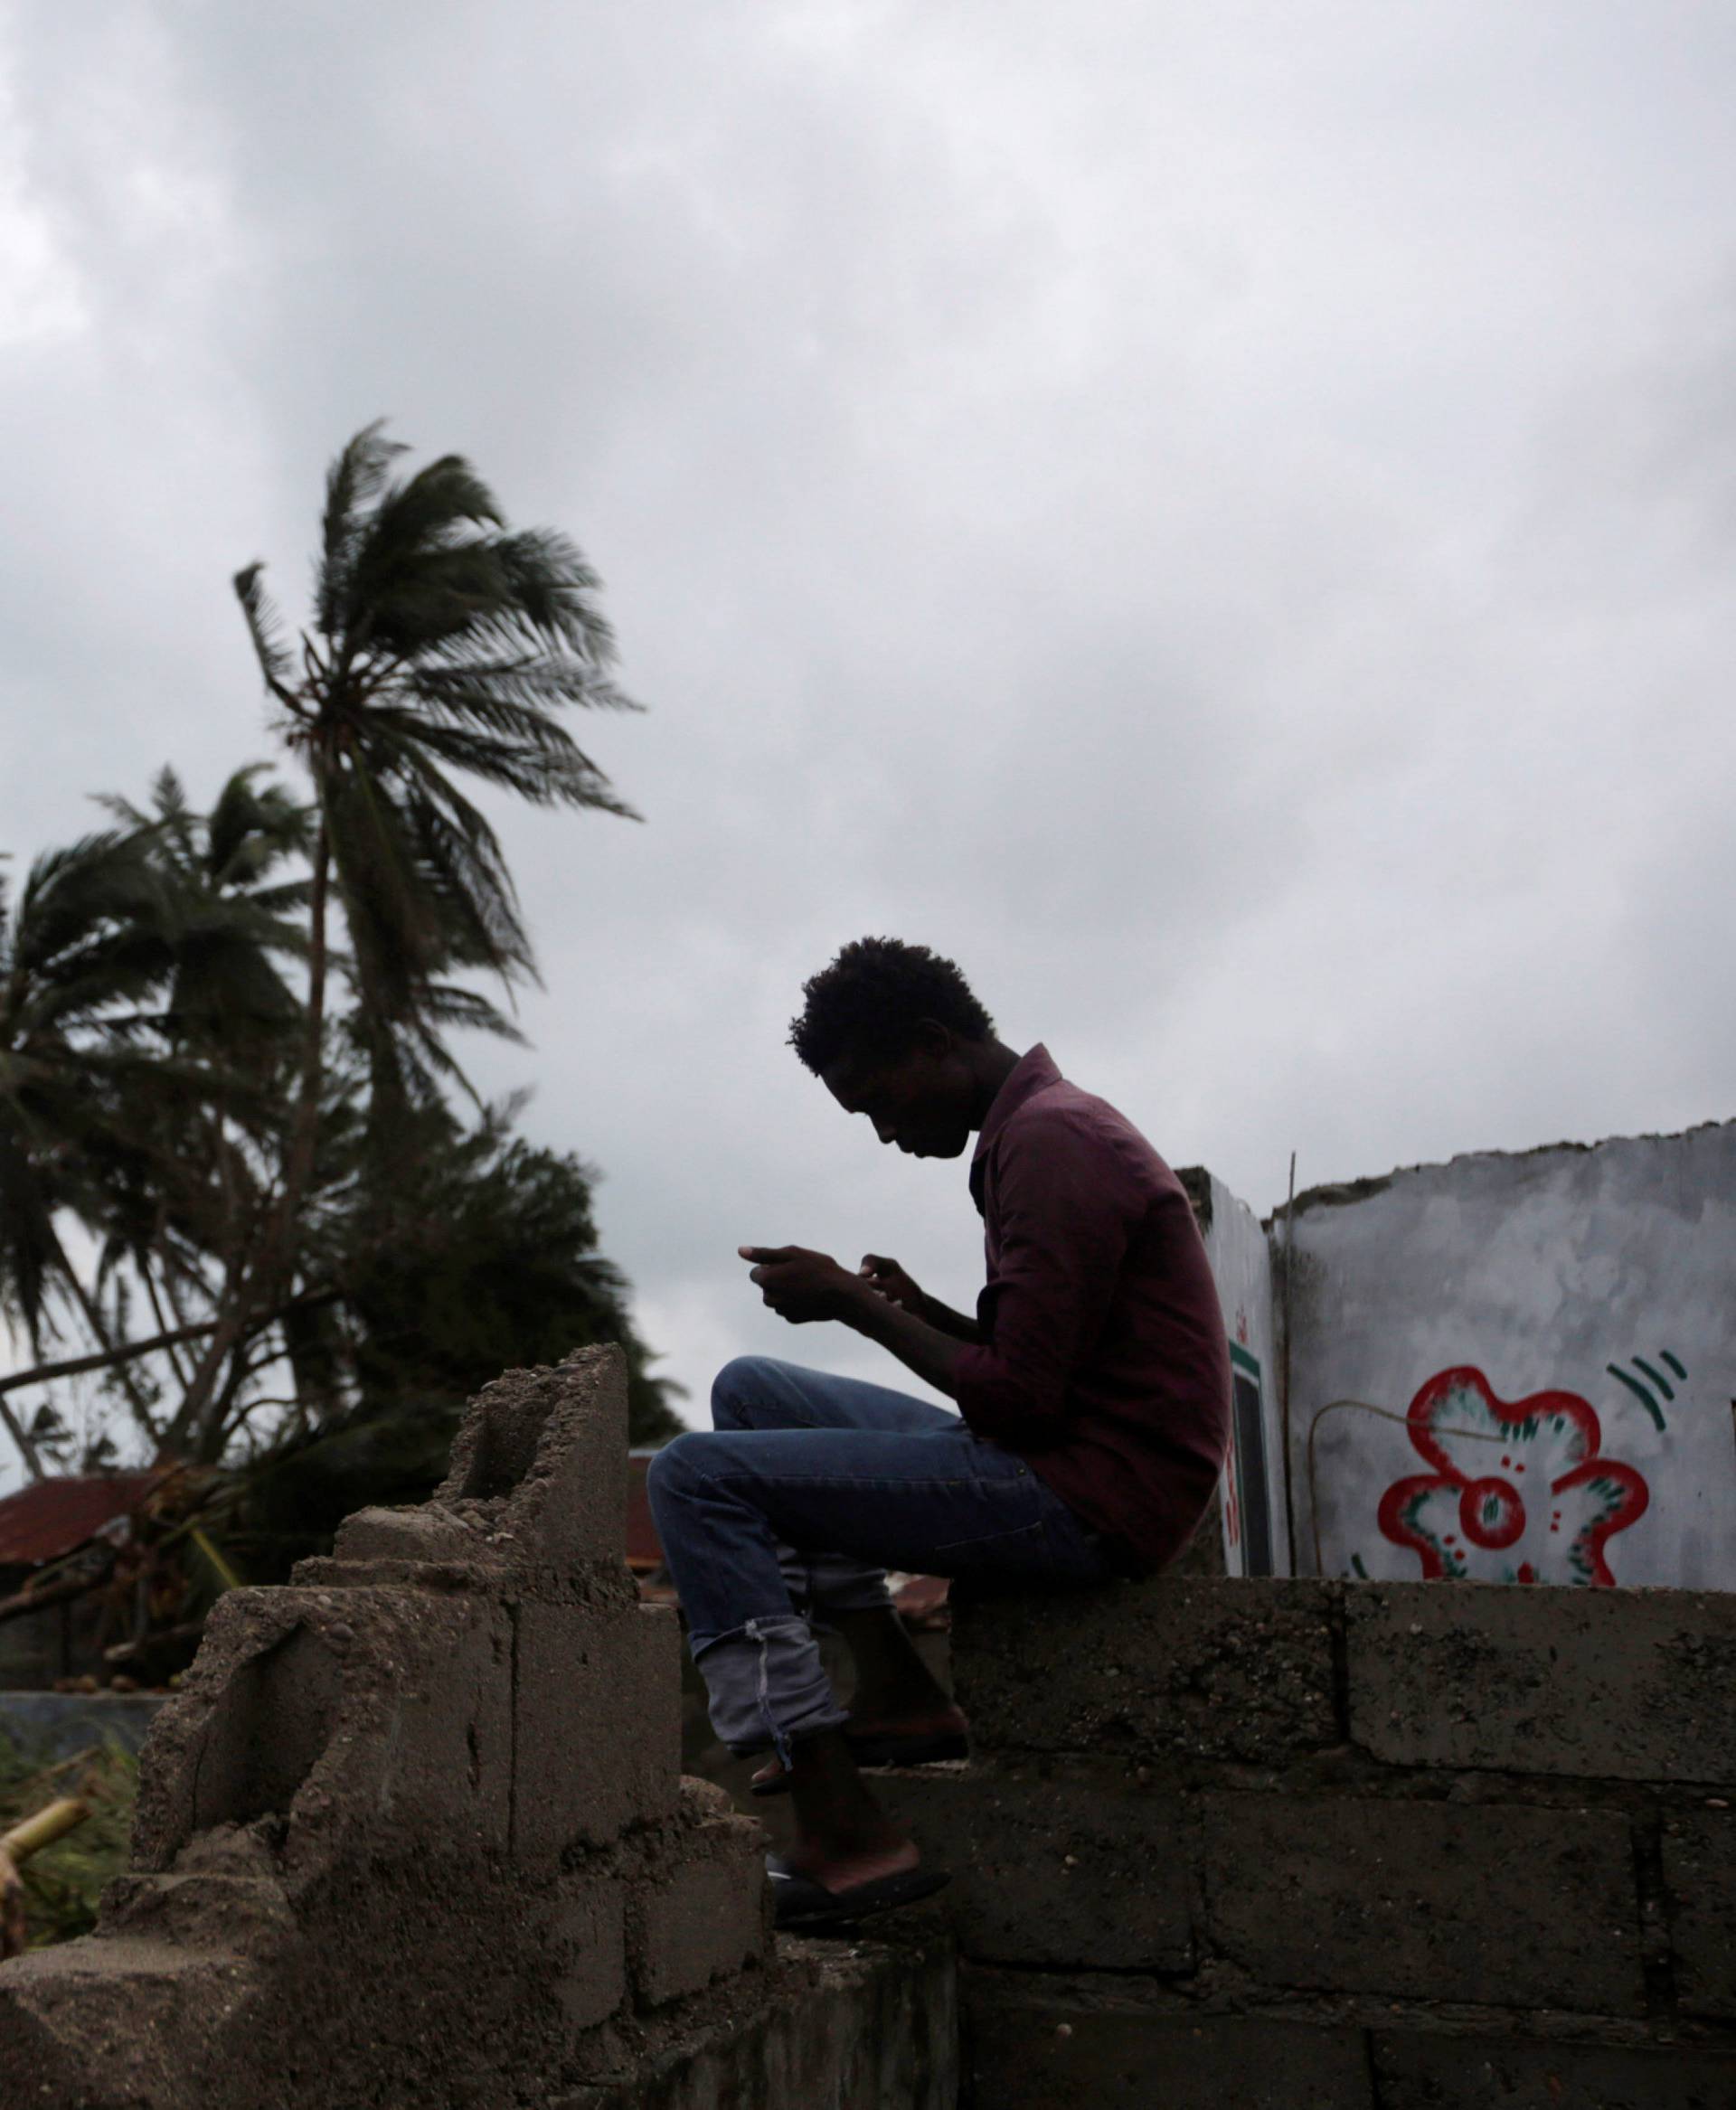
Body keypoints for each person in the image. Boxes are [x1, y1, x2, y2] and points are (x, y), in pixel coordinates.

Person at [646, 937, 1231, 1930]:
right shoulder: (1035, 1132)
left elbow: (1020, 1402)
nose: (882, 1132)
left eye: (880, 1101)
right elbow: (1049, 1357)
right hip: (1073, 1458)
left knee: (694, 1480)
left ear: (933, 1044)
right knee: (749, 1389)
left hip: (1091, 1499)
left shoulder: (1054, 1142)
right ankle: (900, 1696)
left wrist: (855, 1305)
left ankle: (844, 1832)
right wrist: (930, 1310)